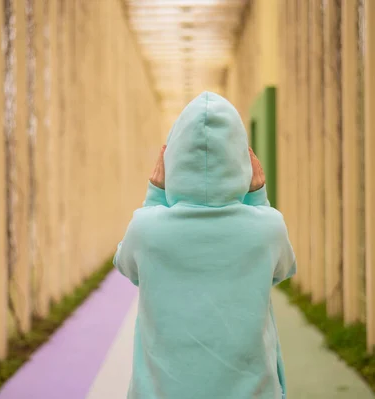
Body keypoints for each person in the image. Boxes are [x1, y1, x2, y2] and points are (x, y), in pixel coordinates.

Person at [114, 92, 296, 399]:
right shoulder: (268, 227)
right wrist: (258, 199)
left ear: (173, 158)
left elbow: (128, 266)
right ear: (242, 159)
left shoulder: (146, 229)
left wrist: (155, 196)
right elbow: (280, 270)